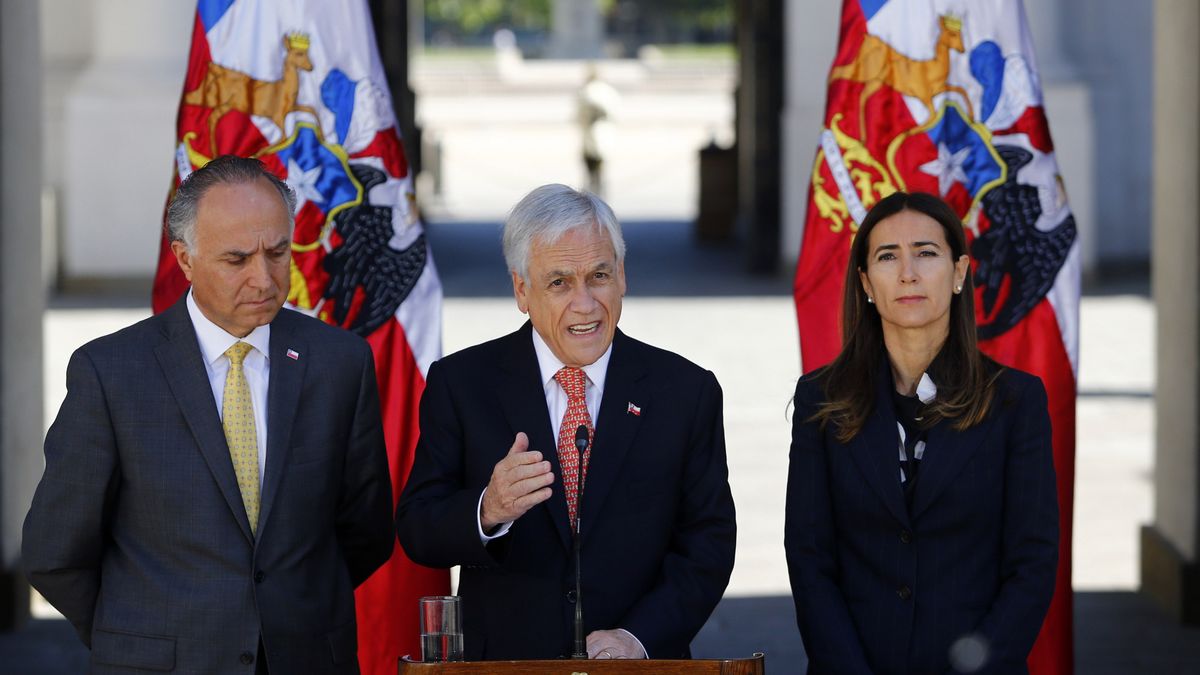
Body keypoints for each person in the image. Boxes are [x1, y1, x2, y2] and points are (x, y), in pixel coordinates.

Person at [23, 155, 394, 674]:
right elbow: (55, 551)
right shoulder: (111, 373)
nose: (263, 279)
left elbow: (365, 531)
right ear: (186, 259)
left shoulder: (340, 363)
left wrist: (284, 615)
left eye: (277, 252)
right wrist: (134, 635)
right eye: (237, 259)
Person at [396, 183, 736, 660]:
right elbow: (418, 529)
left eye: (599, 275)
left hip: (638, 666)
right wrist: (487, 509)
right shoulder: (462, 383)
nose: (585, 303)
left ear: (622, 276)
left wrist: (637, 637)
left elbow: (709, 545)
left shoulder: (684, 390)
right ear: (521, 289)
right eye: (559, 282)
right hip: (506, 665)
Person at [785, 191, 1058, 674]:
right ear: (867, 283)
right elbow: (810, 558)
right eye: (888, 257)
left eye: (926, 253)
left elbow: (1031, 565)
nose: (908, 273)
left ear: (959, 272)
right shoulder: (820, 399)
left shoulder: (1016, 401)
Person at [577, 64, 619, 197]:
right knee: (598, 172)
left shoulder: (587, 91)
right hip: (601, 136)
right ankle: (597, 196)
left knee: (593, 172)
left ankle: (593, 196)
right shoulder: (608, 91)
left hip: (593, 137)